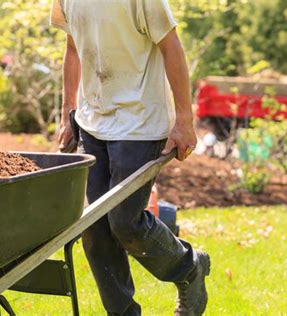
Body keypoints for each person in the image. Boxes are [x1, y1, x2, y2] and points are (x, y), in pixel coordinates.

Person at [51, 1, 210, 315]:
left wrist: (184, 121)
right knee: (95, 228)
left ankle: (189, 268)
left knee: (125, 222)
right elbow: (72, 49)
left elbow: (171, 46)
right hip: (92, 120)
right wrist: (68, 112)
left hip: (140, 121)